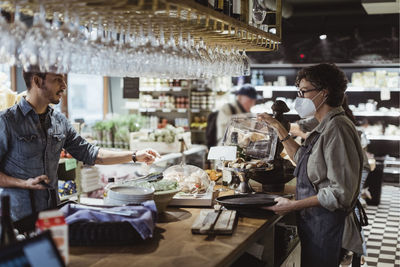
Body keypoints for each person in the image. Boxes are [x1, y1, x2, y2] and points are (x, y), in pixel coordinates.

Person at [0, 68, 160, 221]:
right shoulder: (7, 122)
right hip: (16, 219)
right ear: (37, 81)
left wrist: (134, 155)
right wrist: (23, 183)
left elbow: (90, 153)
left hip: (52, 215)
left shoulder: (59, 121)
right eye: (57, 80)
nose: (64, 86)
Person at [258, 63, 364, 267]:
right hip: (316, 223)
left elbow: (340, 193)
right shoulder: (324, 126)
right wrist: (278, 127)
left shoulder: (338, 129)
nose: (300, 98)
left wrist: (292, 205)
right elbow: (301, 159)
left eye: (304, 92)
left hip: (328, 226)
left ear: (324, 93)